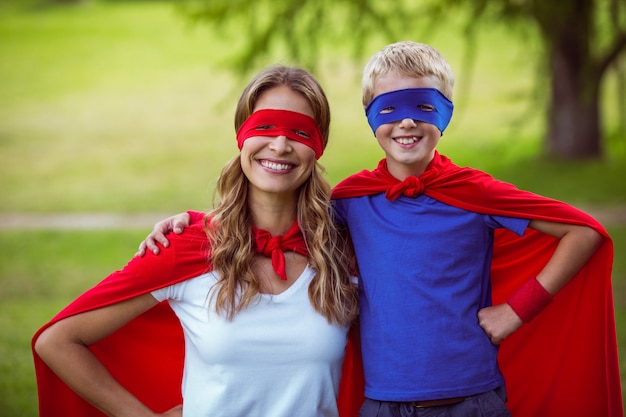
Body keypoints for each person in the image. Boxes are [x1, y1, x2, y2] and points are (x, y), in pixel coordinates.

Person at [139, 42, 623, 417]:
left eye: (424, 107)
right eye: (391, 109)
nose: (407, 121)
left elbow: (582, 232)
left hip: (473, 399)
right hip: (383, 404)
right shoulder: (352, 199)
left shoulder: (474, 192)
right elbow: (282, 223)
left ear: (446, 113)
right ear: (372, 118)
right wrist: (199, 223)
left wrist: (517, 311)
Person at [32, 65, 365, 417]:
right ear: (242, 136)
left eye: (299, 131)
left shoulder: (344, 248)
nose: (280, 145)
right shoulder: (188, 246)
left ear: (319, 146)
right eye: (265, 126)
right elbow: (57, 341)